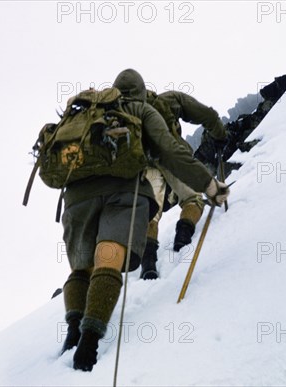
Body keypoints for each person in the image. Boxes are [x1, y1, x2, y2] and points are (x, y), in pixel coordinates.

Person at [60, 69, 230, 372]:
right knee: (109, 254)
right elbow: (174, 145)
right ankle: (89, 342)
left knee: (83, 265)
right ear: (142, 91)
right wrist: (211, 183)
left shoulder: (88, 113)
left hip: (76, 194)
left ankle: (73, 328)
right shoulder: (152, 106)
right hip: (126, 184)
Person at [113, 70, 228, 280]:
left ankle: (148, 264)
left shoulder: (113, 114)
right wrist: (219, 134)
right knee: (193, 198)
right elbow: (207, 115)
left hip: (140, 167)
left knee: (149, 214)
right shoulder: (168, 101)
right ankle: (182, 241)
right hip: (174, 159)